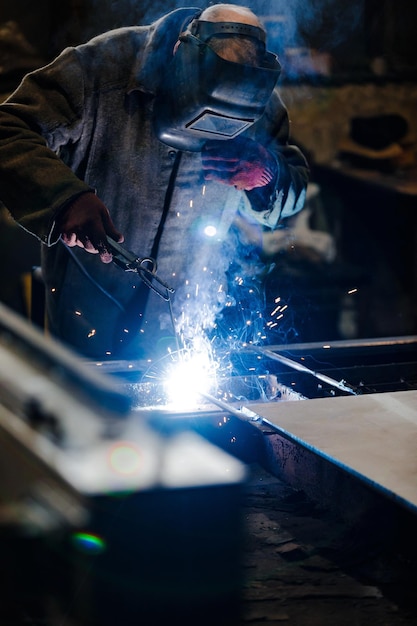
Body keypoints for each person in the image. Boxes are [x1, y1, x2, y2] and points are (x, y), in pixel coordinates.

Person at [0, 4, 309, 362]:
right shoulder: (102, 67)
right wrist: (63, 197)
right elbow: (8, 131)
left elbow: (294, 192)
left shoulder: (257, 100)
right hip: (88, 313)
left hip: (190, 319)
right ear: (181, 54)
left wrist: (266, 173)